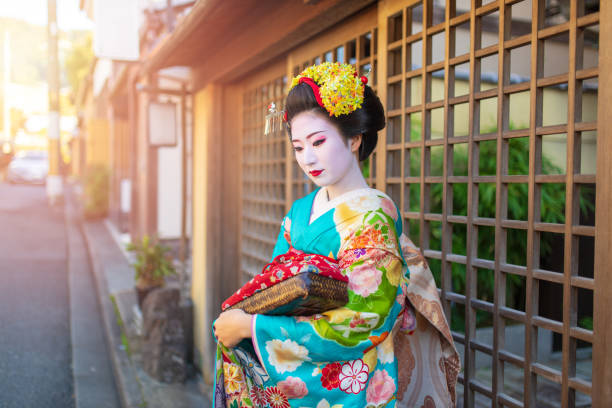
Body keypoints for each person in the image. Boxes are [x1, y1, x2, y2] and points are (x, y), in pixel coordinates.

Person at [213, 62, 459, 408]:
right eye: (298, 147)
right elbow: (274, 290)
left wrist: (253, 329)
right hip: (293, 371)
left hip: (352, 380)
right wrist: (249, 318)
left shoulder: (374, 216)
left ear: (354, 138)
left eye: (318, 141)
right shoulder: (298, 213)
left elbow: (364, 318)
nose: (307, 158)